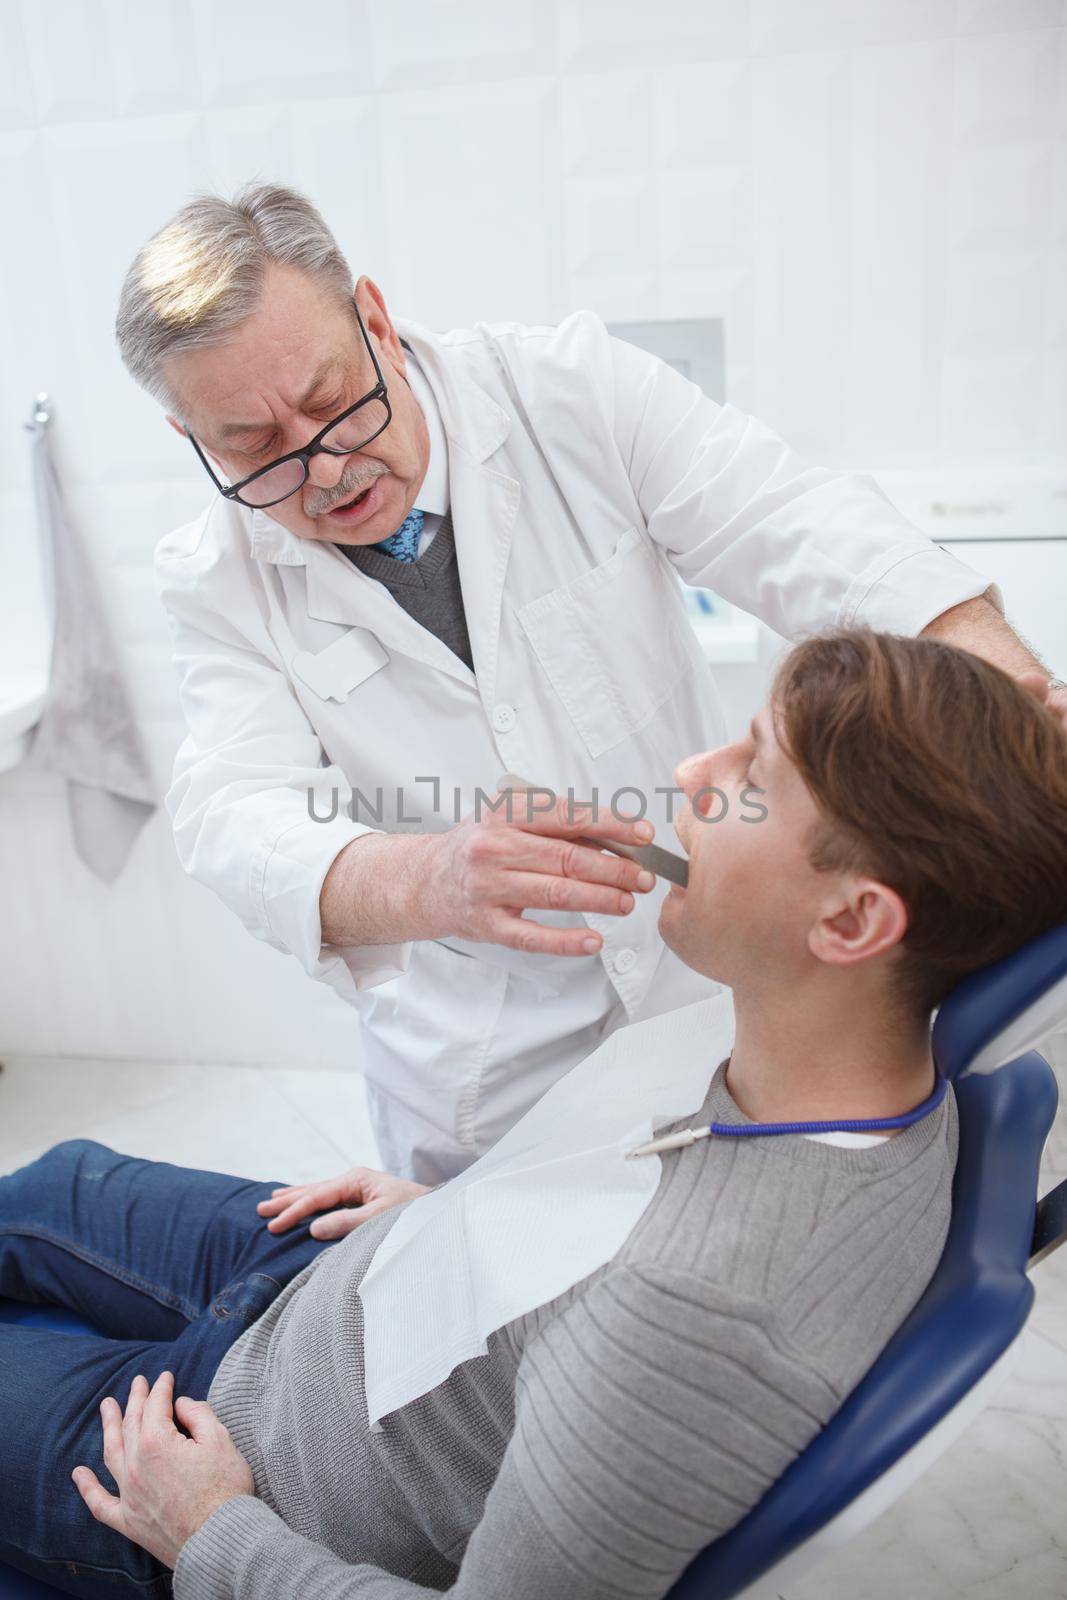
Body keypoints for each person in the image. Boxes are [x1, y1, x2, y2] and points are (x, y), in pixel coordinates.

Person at [3, 629, 1066, 1600]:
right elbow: (634, 1193)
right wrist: (451, 1214)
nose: (697, 776)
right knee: (51, 1185)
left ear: (850, 918)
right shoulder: (843, 1057)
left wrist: (212, 1533)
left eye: (752, 774)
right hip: (356, 1280)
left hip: (248, 1466)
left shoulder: (693, 1323)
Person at [116, 183, 1065, 1191]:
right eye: (255, 448)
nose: (325, 468)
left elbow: (793, 522)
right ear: (193, 442)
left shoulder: (563, 391)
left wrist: (1015, 696)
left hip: (709, 997)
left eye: (330, 401)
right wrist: (427, 878)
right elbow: (232, 811)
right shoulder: (214, 573)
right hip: (485, 1078)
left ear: (377, 323)